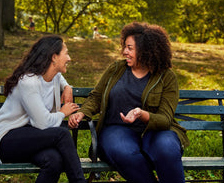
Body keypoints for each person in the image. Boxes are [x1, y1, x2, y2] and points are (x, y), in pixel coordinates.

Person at [69, 22, 189, 183]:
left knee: (166, 149)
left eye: (130, 48)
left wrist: (141, 114)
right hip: (117, 129)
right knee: (121, 151)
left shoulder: (166, 77)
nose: (124, 52)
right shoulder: (116, 69)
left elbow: (165, 119)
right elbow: (97, 96)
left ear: (146, 50)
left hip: (155, 130)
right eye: (125, 47)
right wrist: (83, 112)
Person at [0, 35, 86, 183]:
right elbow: (43, 124)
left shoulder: (54, 76)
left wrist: (67, 87)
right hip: (6, 141)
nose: (69, 58)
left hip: (31, 138)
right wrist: (62, 113)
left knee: (54, 160)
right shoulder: (29, 82)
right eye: (66, 53)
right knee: (62, 134)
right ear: (54, 57)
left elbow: (60, 78)